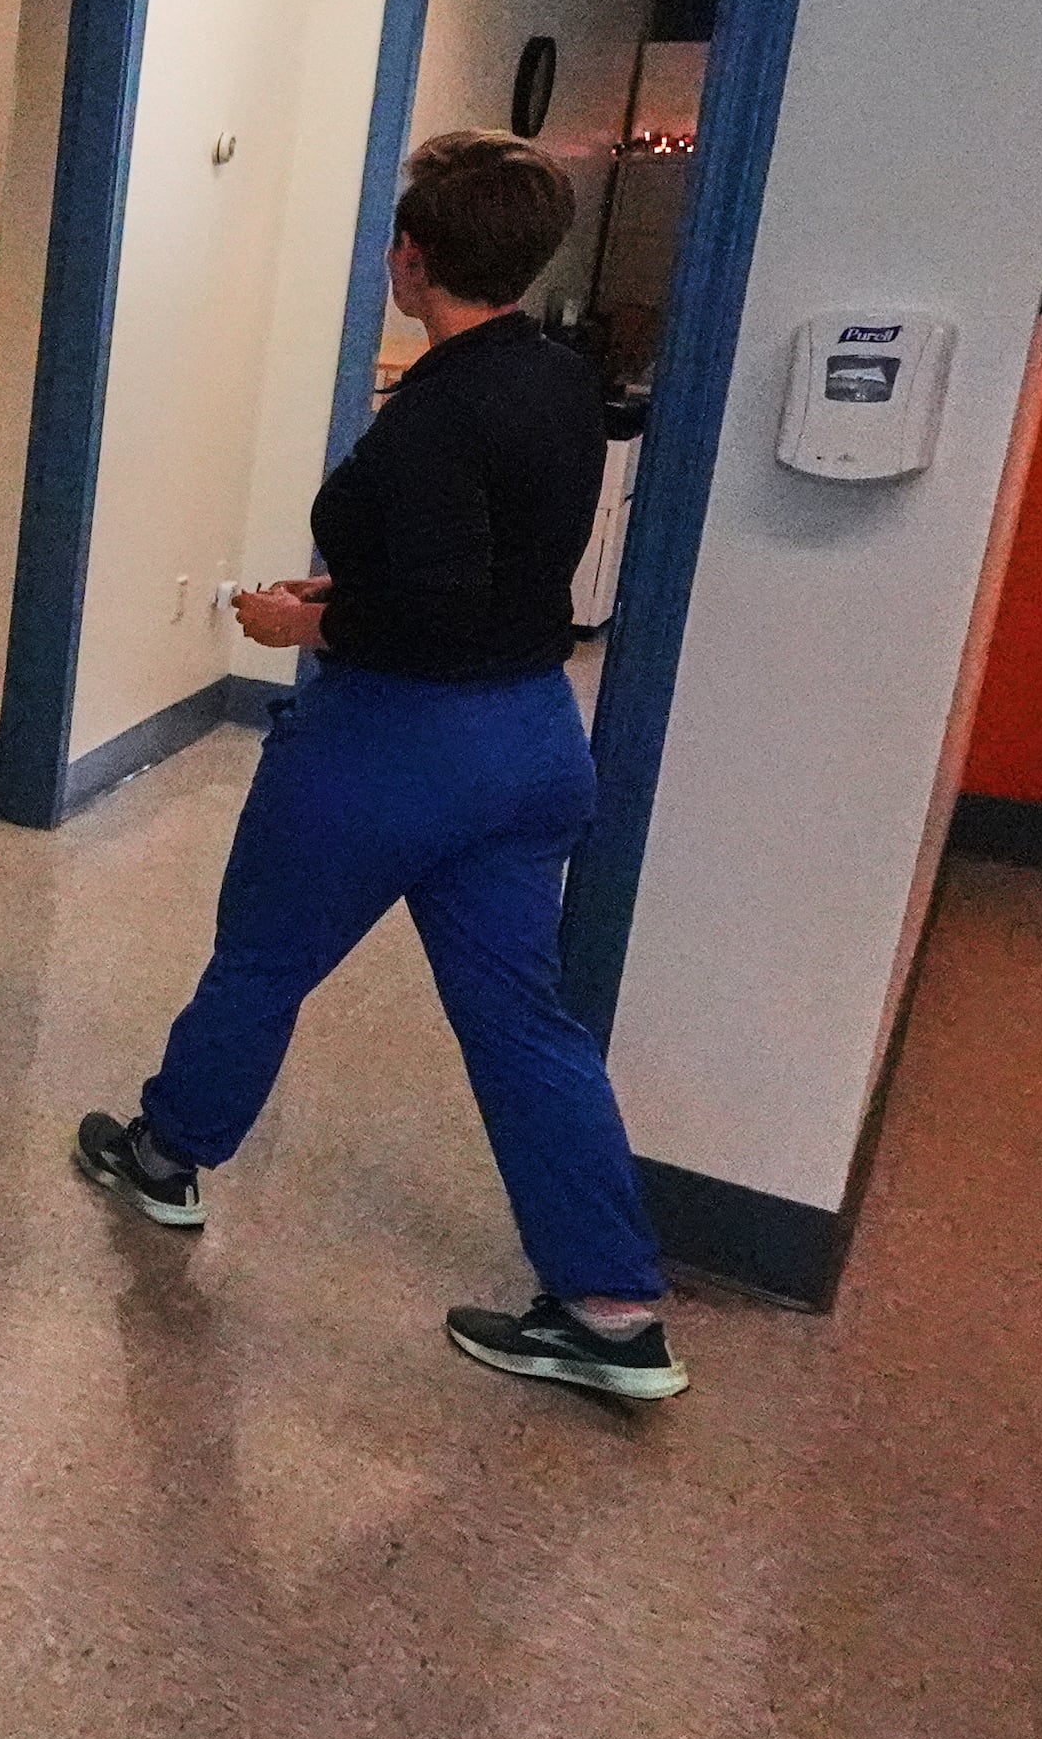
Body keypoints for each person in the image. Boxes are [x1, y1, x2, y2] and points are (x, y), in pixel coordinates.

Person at [76, 130, 686, 1401]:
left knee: (264, 957)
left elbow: (435, 605)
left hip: (398, 745)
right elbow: (494, 565)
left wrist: (310, 623)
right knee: (526, 1021)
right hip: (532, 739)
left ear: (413, 260)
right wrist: (358, 587)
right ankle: (614, 1309)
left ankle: (168, 1156)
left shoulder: (430, 418)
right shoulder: (557, 375)